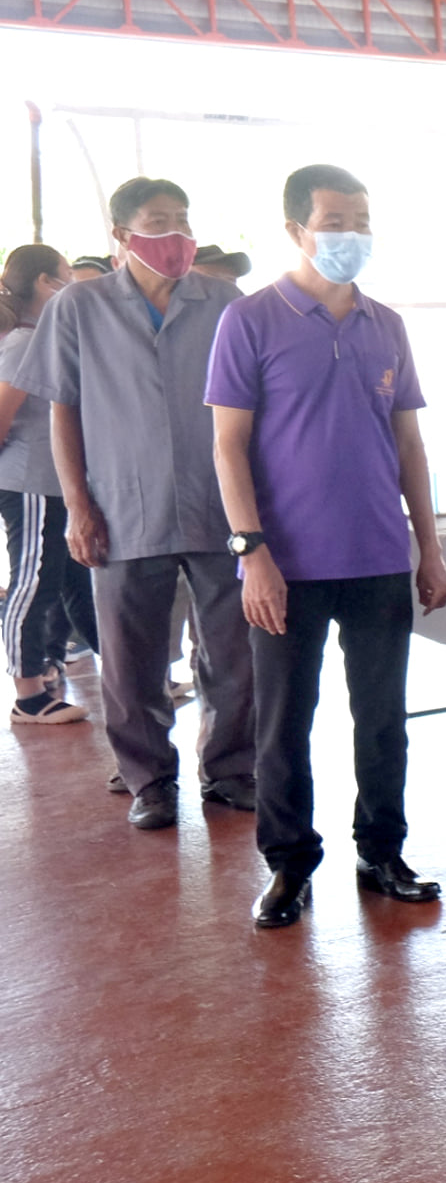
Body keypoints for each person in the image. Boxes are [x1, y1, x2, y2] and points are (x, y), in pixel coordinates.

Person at [208, 164, 446, 929]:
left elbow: (409, 443)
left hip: (380, 555)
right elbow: (228, 445)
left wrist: (429, 545)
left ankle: (383, 850)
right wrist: (253, 552)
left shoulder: (386, 324)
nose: (351, 233)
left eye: (361, 218)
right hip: (287, 565)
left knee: (383, 717)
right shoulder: (249, 320)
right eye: (335, 219)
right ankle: (289, 863)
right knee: (283, 719)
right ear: (296, 230)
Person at [13, 177, 256, 829]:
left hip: (218, 504)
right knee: (130, 656)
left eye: (181, 219)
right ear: (122, 236)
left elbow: (252, 407)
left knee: (233, 652)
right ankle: (149, 779)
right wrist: (78, 506)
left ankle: (232, 771)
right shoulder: (79, 307)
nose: (174, 235)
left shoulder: (223, 302)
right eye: (157, 221)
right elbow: (63, 410)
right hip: (122, 507)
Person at [0, 245, 96, 724]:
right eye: (62, 276)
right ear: (43, 282)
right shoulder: (23, 341)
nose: (69, 284)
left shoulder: (39, 335)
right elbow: (2, 413)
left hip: (53, 481)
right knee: (31, 582)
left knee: (72, 580)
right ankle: (28, 694)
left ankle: (62, 666)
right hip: (30, 480)